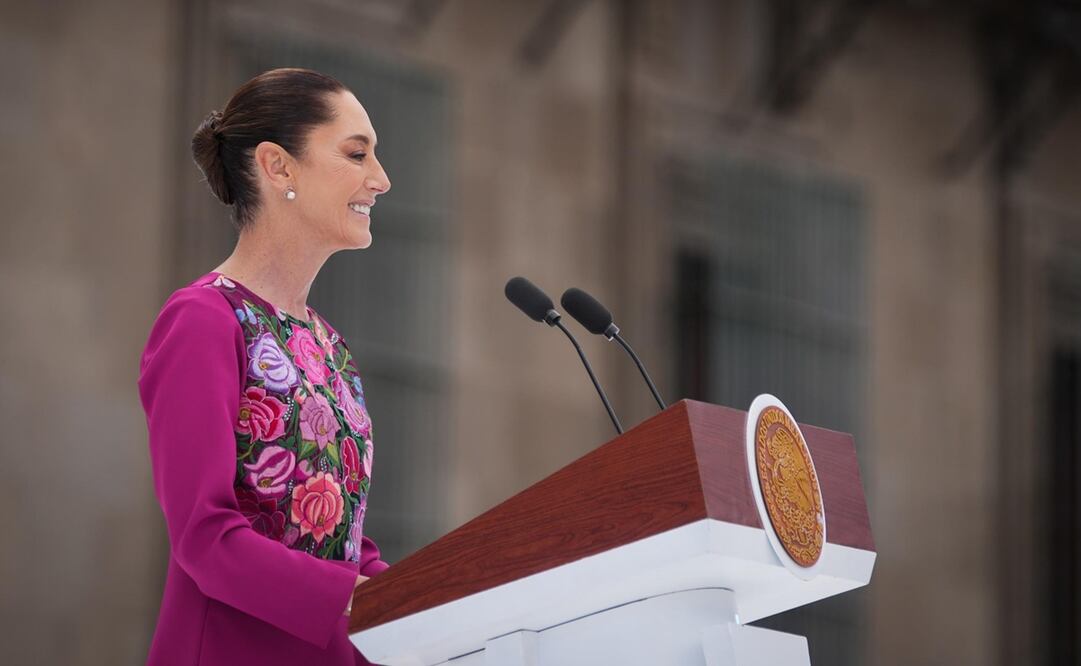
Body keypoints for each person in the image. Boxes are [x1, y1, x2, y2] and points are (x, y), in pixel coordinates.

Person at [137, 67, 392, 665]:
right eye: (357, 154)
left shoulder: (329, 344)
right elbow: (205, 537)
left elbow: (344, 537)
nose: (380, 179)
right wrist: (353, 598)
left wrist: (439, 594)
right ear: (278, 167)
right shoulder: (203, 320)